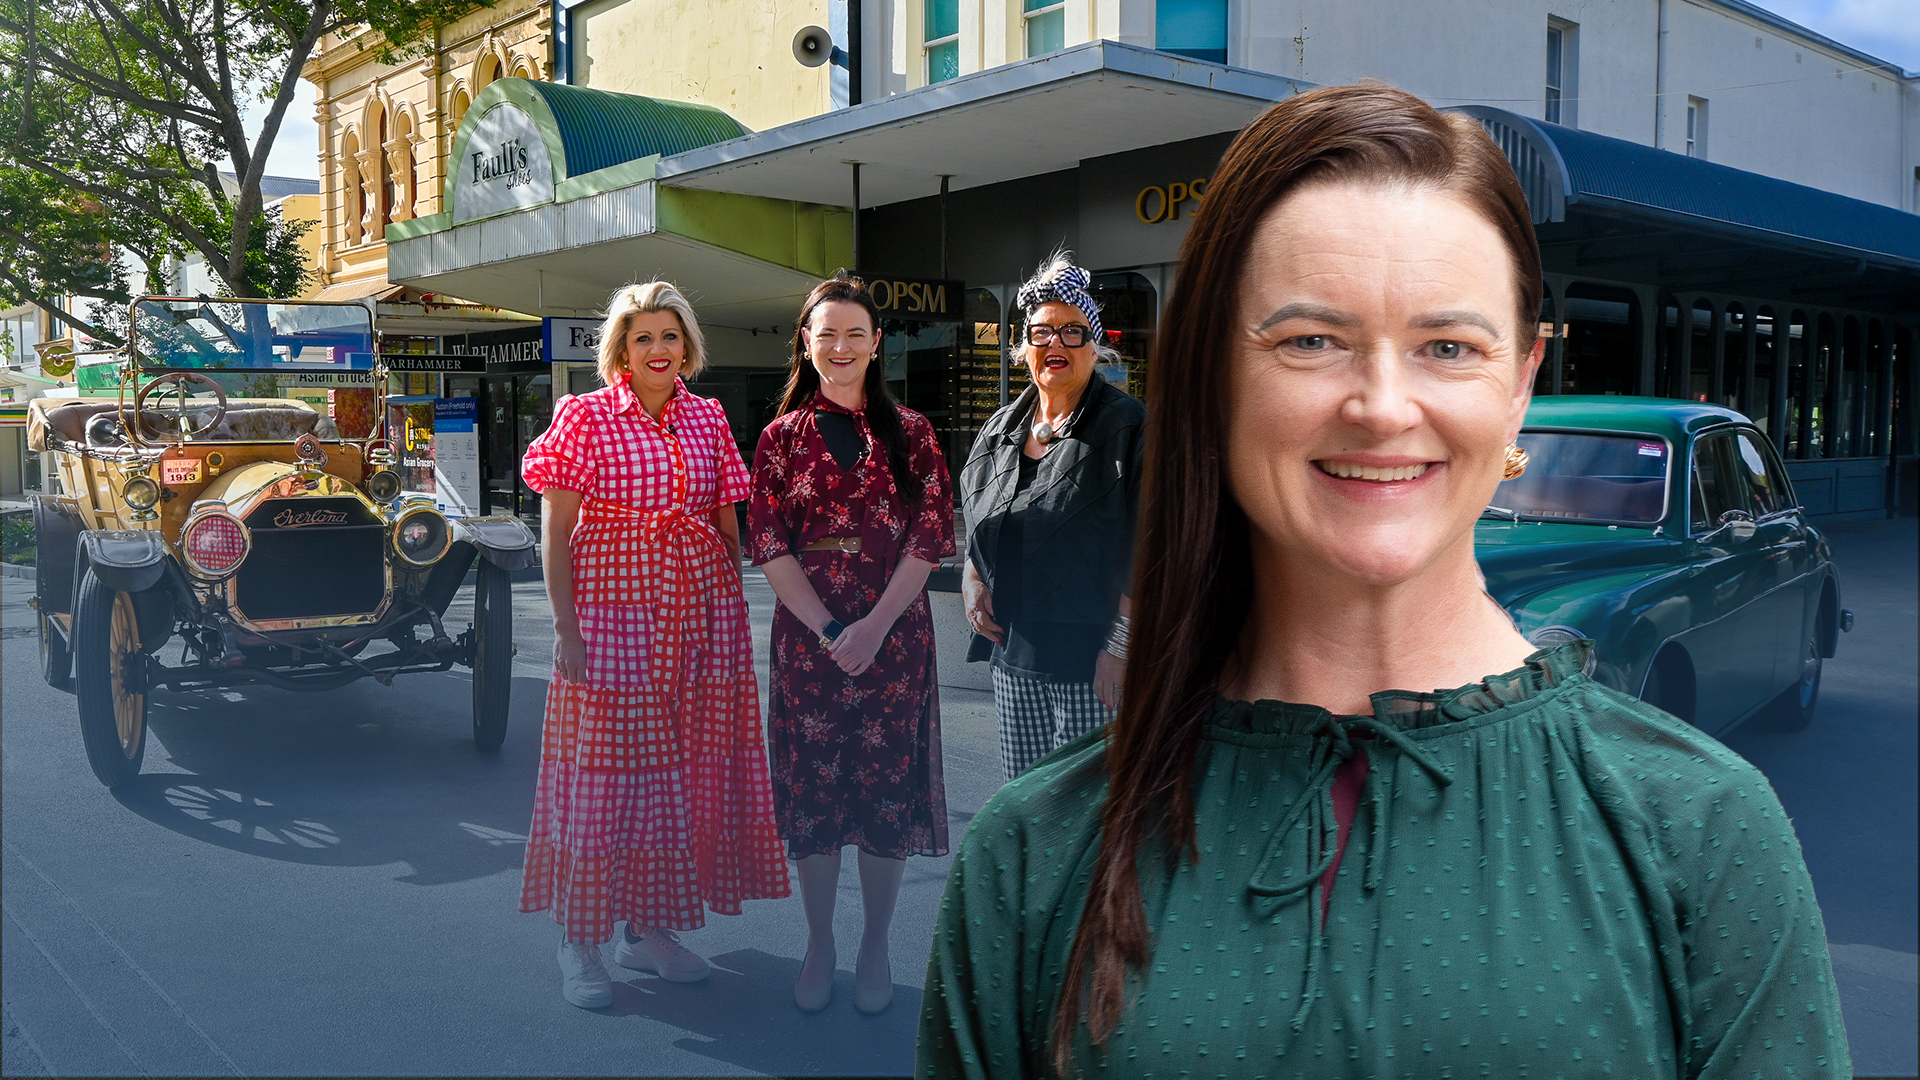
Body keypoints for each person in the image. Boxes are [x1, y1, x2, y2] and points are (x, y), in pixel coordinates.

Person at [919, 84, 1848, 1077]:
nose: (1382, 406)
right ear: (1217, 380)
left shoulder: (1702, 832)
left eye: (1448, 345)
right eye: (1311, 339)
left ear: (1522, 387)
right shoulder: (1029, 855)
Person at [519, 281, 789, 1010]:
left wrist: (726, 622)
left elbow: (726, 522)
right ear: (621, 349)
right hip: (609, 617)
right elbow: (556, 530)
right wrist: (565, 628)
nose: (658, 350)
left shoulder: (707, 418)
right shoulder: (584, 415)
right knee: (602, 781)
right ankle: (580, 942)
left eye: (670, 336)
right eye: (643, 338)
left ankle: (647, 930)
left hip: (695, 617)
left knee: (676, 780)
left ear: (688, 346)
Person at [748, 274, 956, 1016]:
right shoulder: (779, 439)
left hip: (895, 646)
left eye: (854, 334)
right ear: (805, 342)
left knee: (882, 796)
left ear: (876, 344)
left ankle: (872, 943)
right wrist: (834, 630)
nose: (839, 347)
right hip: (809, 647)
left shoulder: (915, 435)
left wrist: (873, 626)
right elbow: (769, 544)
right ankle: (819, 942)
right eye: (825, 333)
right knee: (816, 797)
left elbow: (930, 538)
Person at [959, 252, 1146, 779]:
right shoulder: (1001, 428)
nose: (1056, 345)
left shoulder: (1126, 426)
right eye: (1042, 333)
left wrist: (1120, 647)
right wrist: (974, 582)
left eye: (1073, 332)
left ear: (1095, 345)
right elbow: (979, 518)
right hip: (1013, 654)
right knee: (1025, 807)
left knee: (1084, 822)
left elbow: (1151, 543)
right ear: (1024, 348)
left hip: (1092, 662)